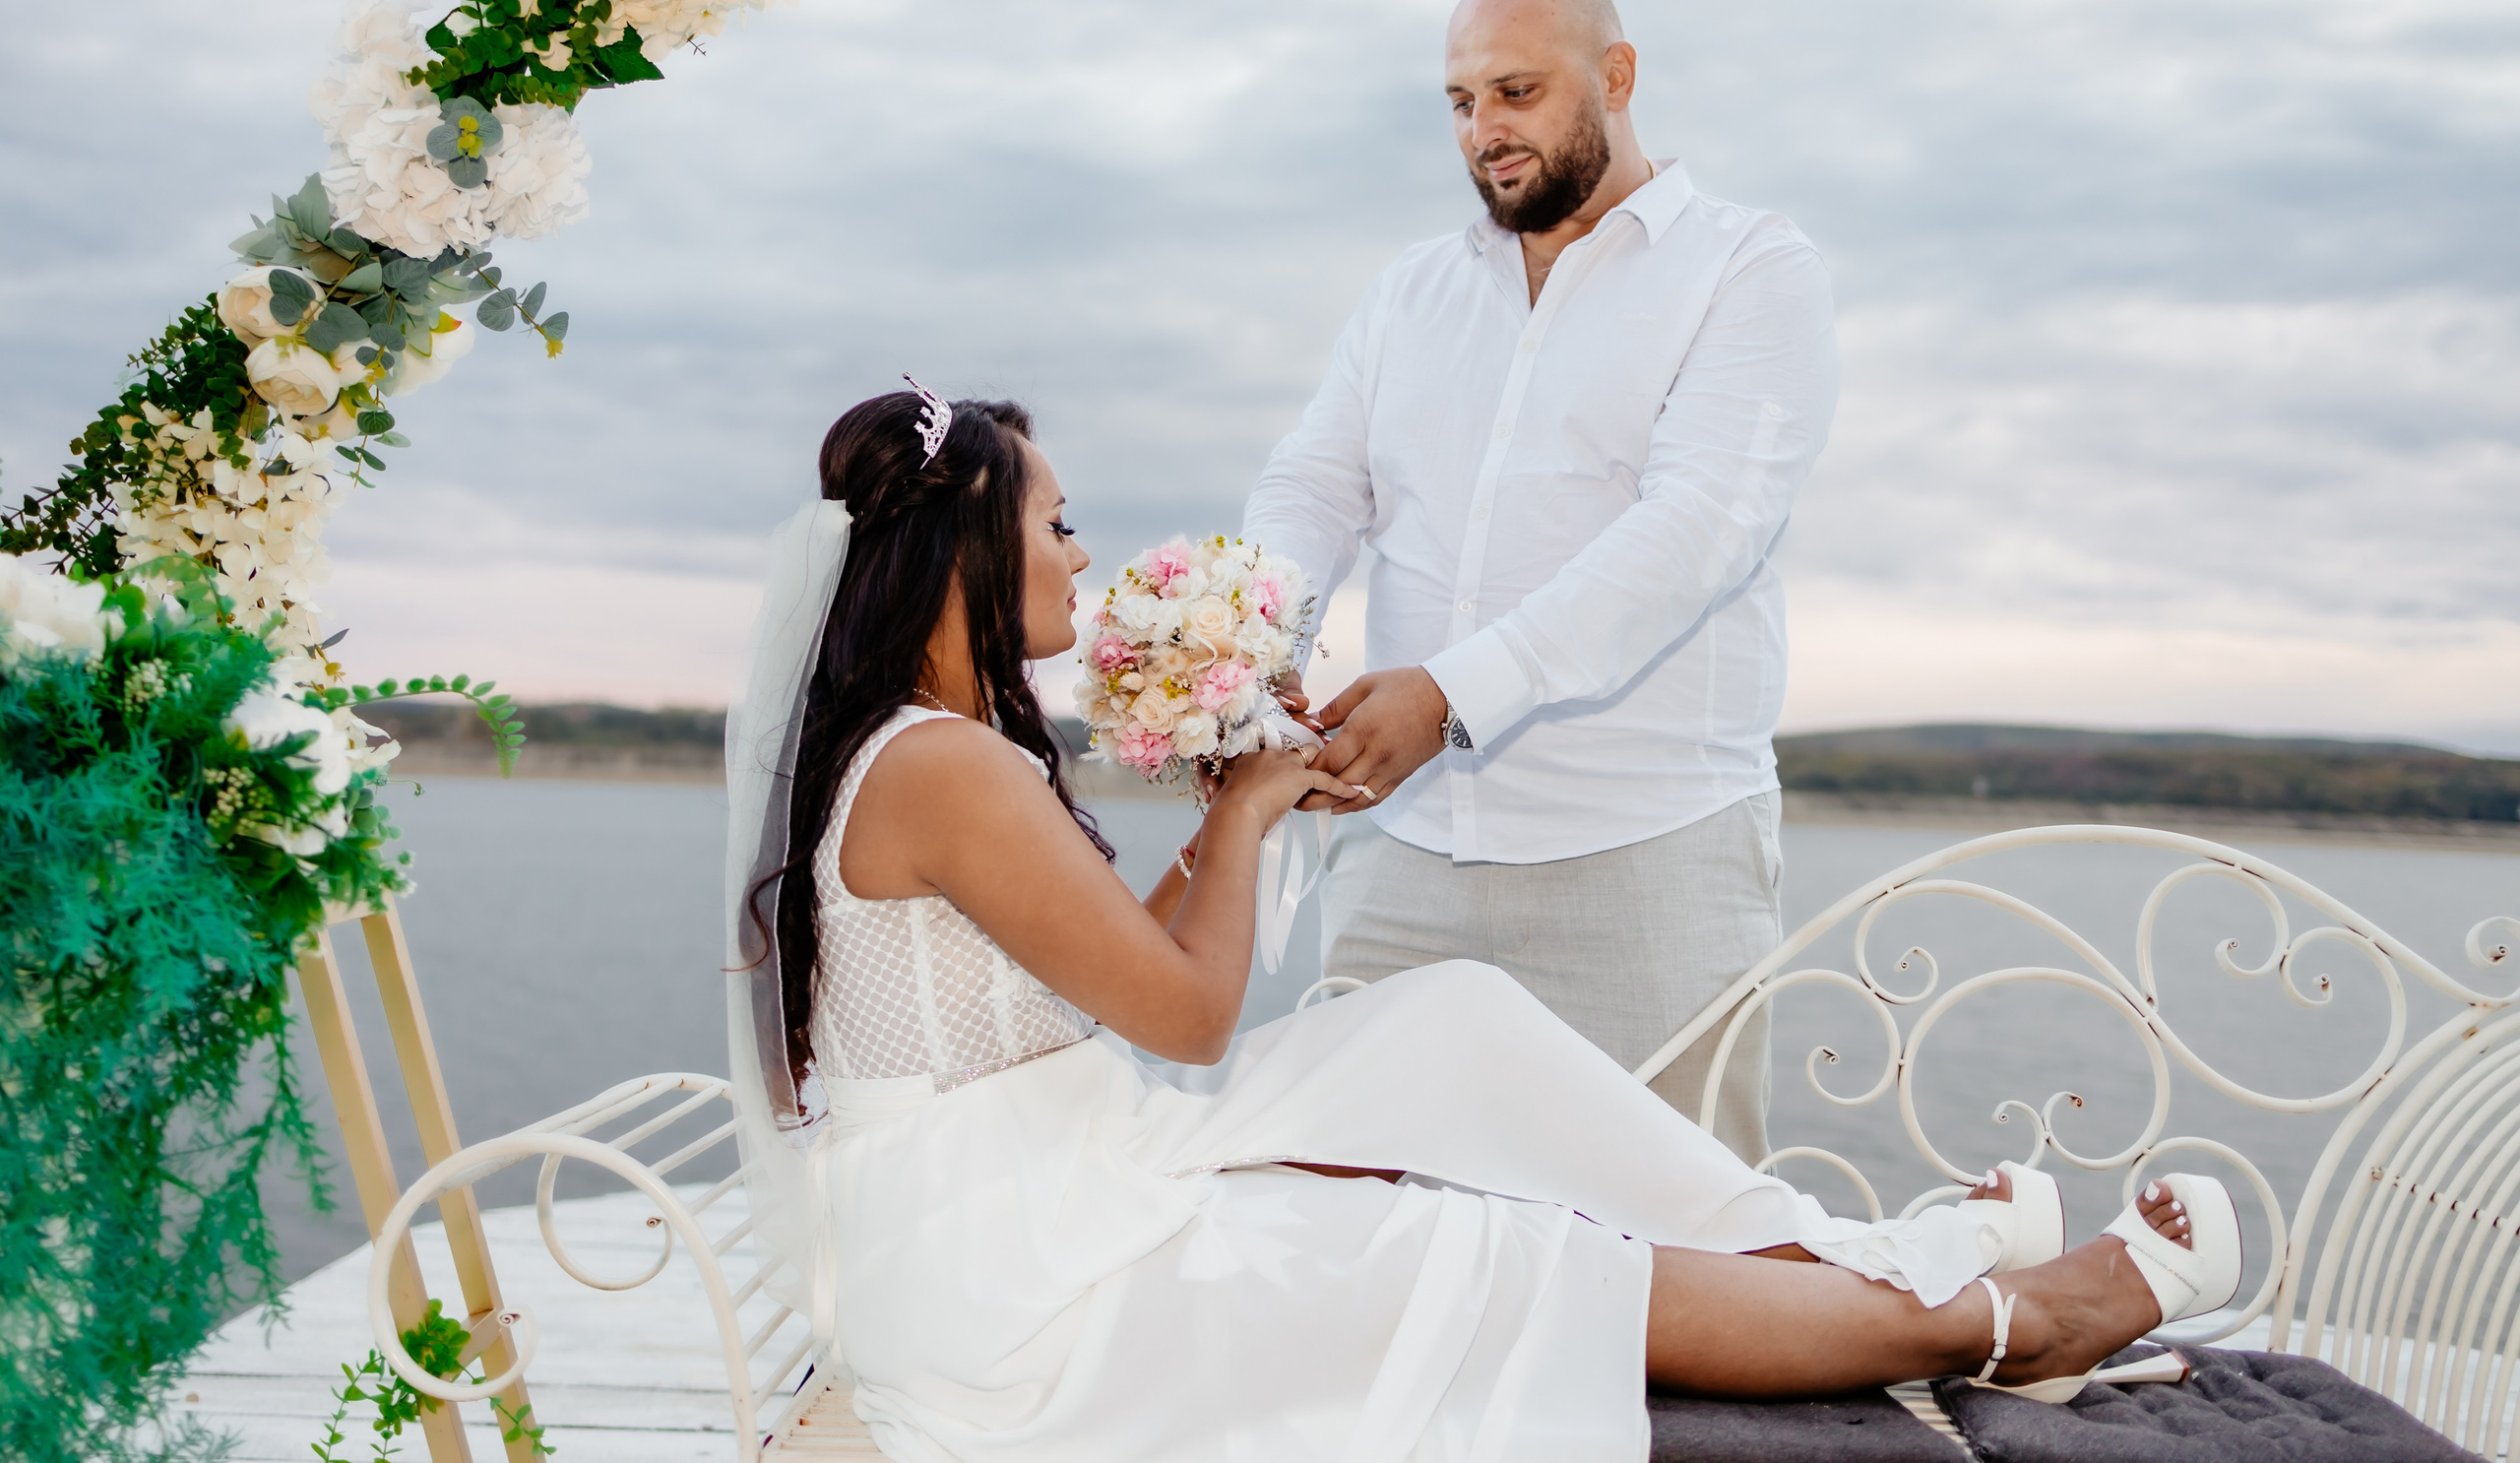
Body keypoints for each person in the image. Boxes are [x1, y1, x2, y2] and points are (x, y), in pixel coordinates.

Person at [720, 387, 2236, 1463]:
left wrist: (1235, 815)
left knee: (1446, 1036)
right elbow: (1182, 1015)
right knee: (1514, 1259)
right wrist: (1244, 813)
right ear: (972, 537)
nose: (1078, 553)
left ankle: (1853, 1257)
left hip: (1043, 1195)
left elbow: (1116, 960)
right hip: (1031, 1276)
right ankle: (1990, 1319)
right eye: (1058, 521)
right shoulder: (947, 765)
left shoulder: (931, 751)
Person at [1243, 0, 1839, 1162]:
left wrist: (1453, 695)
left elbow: (1699, 532)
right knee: (1368, 1224)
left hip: (1648, 858)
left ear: (1615, 77)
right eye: (1460, 103)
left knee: (1676, 1262)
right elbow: (1314, 482)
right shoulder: (1410, 292)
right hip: (1399, 854)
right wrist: (1254, 653)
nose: (1484, 131)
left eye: (1515, 91)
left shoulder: (1750, 269)